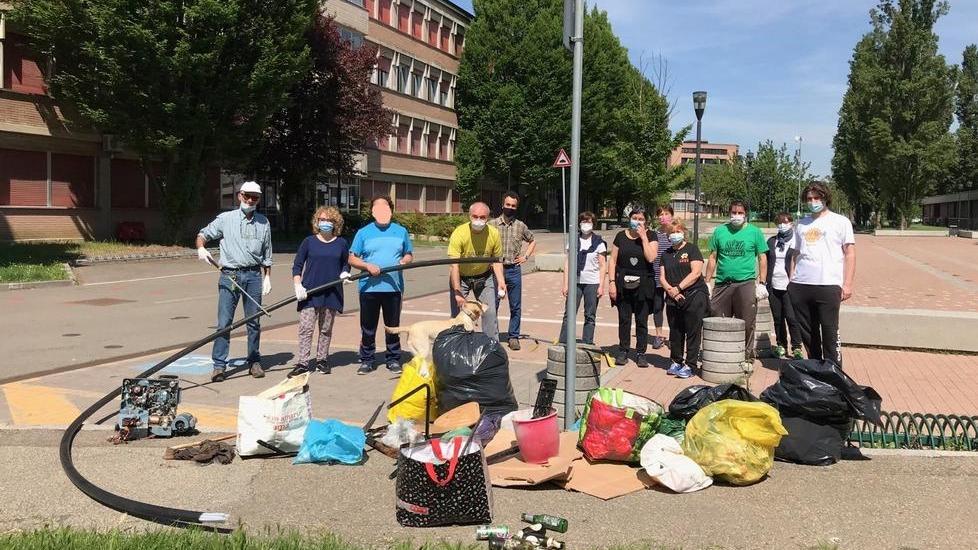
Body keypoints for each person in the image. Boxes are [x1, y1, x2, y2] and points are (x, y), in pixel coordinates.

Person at [195, 180, 273, 382]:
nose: (250, 200)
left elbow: (267, 253)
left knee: (253, 322)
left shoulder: (264, 222)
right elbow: (203, 234)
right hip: (230, 275)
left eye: (255, 197)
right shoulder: (225, 219)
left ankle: (254, 362)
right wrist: (201, 248)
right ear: (240, 195)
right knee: (224, 323)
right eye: (247, 196)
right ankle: (219, 366)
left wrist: (267, 277)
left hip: (254, 276)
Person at [788, 183, 856, 367]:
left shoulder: (840, 222)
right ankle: (815, 368)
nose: (813, 202)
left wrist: (847, 284)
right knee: (808, 334)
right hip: (801, 285)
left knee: (829, 331)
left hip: (828, 285)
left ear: (825, 198)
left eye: (817, 198)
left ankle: (834, 372)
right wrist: (791, 279)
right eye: (809, 199)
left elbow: (850, 253)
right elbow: (795, 253)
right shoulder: (801, 224)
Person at [348, 196, 413, 375]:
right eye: (377, 208)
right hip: (369, 287)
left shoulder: (401, 231)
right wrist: (367, 266)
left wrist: (404, 261)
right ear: (372, 211)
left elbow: (409, 254)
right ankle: (367, 359)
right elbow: (352, 258)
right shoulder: (363, 232)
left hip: (393, 287)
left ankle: (393, 358)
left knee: (393, 325)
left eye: (385, 208)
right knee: (368, 327)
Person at [288, 206, 351, 377]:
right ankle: (303, 362)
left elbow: (346, 263)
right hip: (309, 292)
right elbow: (297, 265)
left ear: (336, 223)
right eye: (322, 219)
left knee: (325, 329)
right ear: (317, 221)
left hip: (331, 292)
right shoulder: (309, 242)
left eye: (329, 220)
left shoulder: (341, 243)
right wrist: (297, 285)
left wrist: (345, 273)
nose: (325, 223)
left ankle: (322, 360)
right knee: (306, 328)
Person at [705, 200, 768, 358]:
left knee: (747, 322)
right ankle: (720, 355)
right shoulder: (720, 231)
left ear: (746, 214)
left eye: (740, 213)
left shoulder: (755, 232)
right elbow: (712, 257)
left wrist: (762, 283)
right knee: (716, 318)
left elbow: (762, 258)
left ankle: (746, 356)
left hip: (745, 283)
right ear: (729, 213)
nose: (737, 215)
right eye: (734, 212)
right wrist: (707, 282)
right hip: (722, 283)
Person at [659, 220, 709, 379]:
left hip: (694, 295)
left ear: (684, 233)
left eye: (678, 231)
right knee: (675, 331)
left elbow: (696, 273)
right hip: (673, 297)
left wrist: (679, 288)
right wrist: (671, 291)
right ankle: (676, 361)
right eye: (672, 232)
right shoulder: (665, 254)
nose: (675, 235)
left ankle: (691, 365)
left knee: (693, 331)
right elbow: (662, 277)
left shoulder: (692, 249)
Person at [608, 207, 658, 367]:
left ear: (646, 221)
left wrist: (643, 237)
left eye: (641, 219)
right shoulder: (621, 236)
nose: (637, 221)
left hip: (644, 283)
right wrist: (611, 282)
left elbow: (651, 258)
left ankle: (641, 353)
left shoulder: (651, 235)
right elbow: (613, 260)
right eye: (635, 218)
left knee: (641, 320)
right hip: (623, 282)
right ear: (629, 219)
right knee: (624, 319)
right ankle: (623, 350)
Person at [448, 202, 505, 339]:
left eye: (482, 217)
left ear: (488, 218)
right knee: (457, 316)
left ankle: (491, 346)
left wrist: (501, 281)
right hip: (461, 278)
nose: (478, 220)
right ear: (469, 216)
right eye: (475, 216)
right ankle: (457, 345)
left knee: (490, 313)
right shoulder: (459, 233)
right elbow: (454, 265)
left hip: (484, 277)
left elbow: (496, 261)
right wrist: (457, 291)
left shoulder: (493, 233)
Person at [490, 191, 536, 350]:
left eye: (513, 206)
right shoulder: (492, 224)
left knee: (515, 306)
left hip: (513, 270)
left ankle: (513, 337)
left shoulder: (520, 226)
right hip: (495, 270)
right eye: (508, 204)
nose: (510, 208)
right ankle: (492, 337)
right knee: (492, 305)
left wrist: (525, 256)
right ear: (502, 205)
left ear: (517, 207)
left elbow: (532, 240)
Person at [557, 211, 606, 345]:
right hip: (575, 282)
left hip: (592, 282)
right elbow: (568, 263)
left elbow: (603, 266)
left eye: (589, 221)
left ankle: (587, 343)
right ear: (579, 223)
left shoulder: (599, 243)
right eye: (583, 221)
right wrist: (565, 284)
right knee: (569, 313)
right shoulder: (574, 240)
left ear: (593, 224)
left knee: (590, 315)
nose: (586, 224)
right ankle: (563, 342)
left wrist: (601, 286)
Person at [765, 212, 803, 359]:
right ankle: (781, 345)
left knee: (792, 317)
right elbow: (766, 261)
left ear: (792, 223)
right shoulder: (771, 241)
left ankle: (797, 347)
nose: (782, 225)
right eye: (779, 223)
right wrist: (763, 281)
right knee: (778, 317)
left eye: (785, 222)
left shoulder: (796, 241)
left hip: (790, 285)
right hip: (774, 284)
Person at [650, 206, 675, 349]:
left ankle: (674, 336)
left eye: (666, 214)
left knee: (673, 307)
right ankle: (659, 335)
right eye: (660, 214)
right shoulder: (655, 234)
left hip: (672, 276)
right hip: (656, 275)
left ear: (671, 215)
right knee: (657, 306)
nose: (663, 217)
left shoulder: (676, 232)